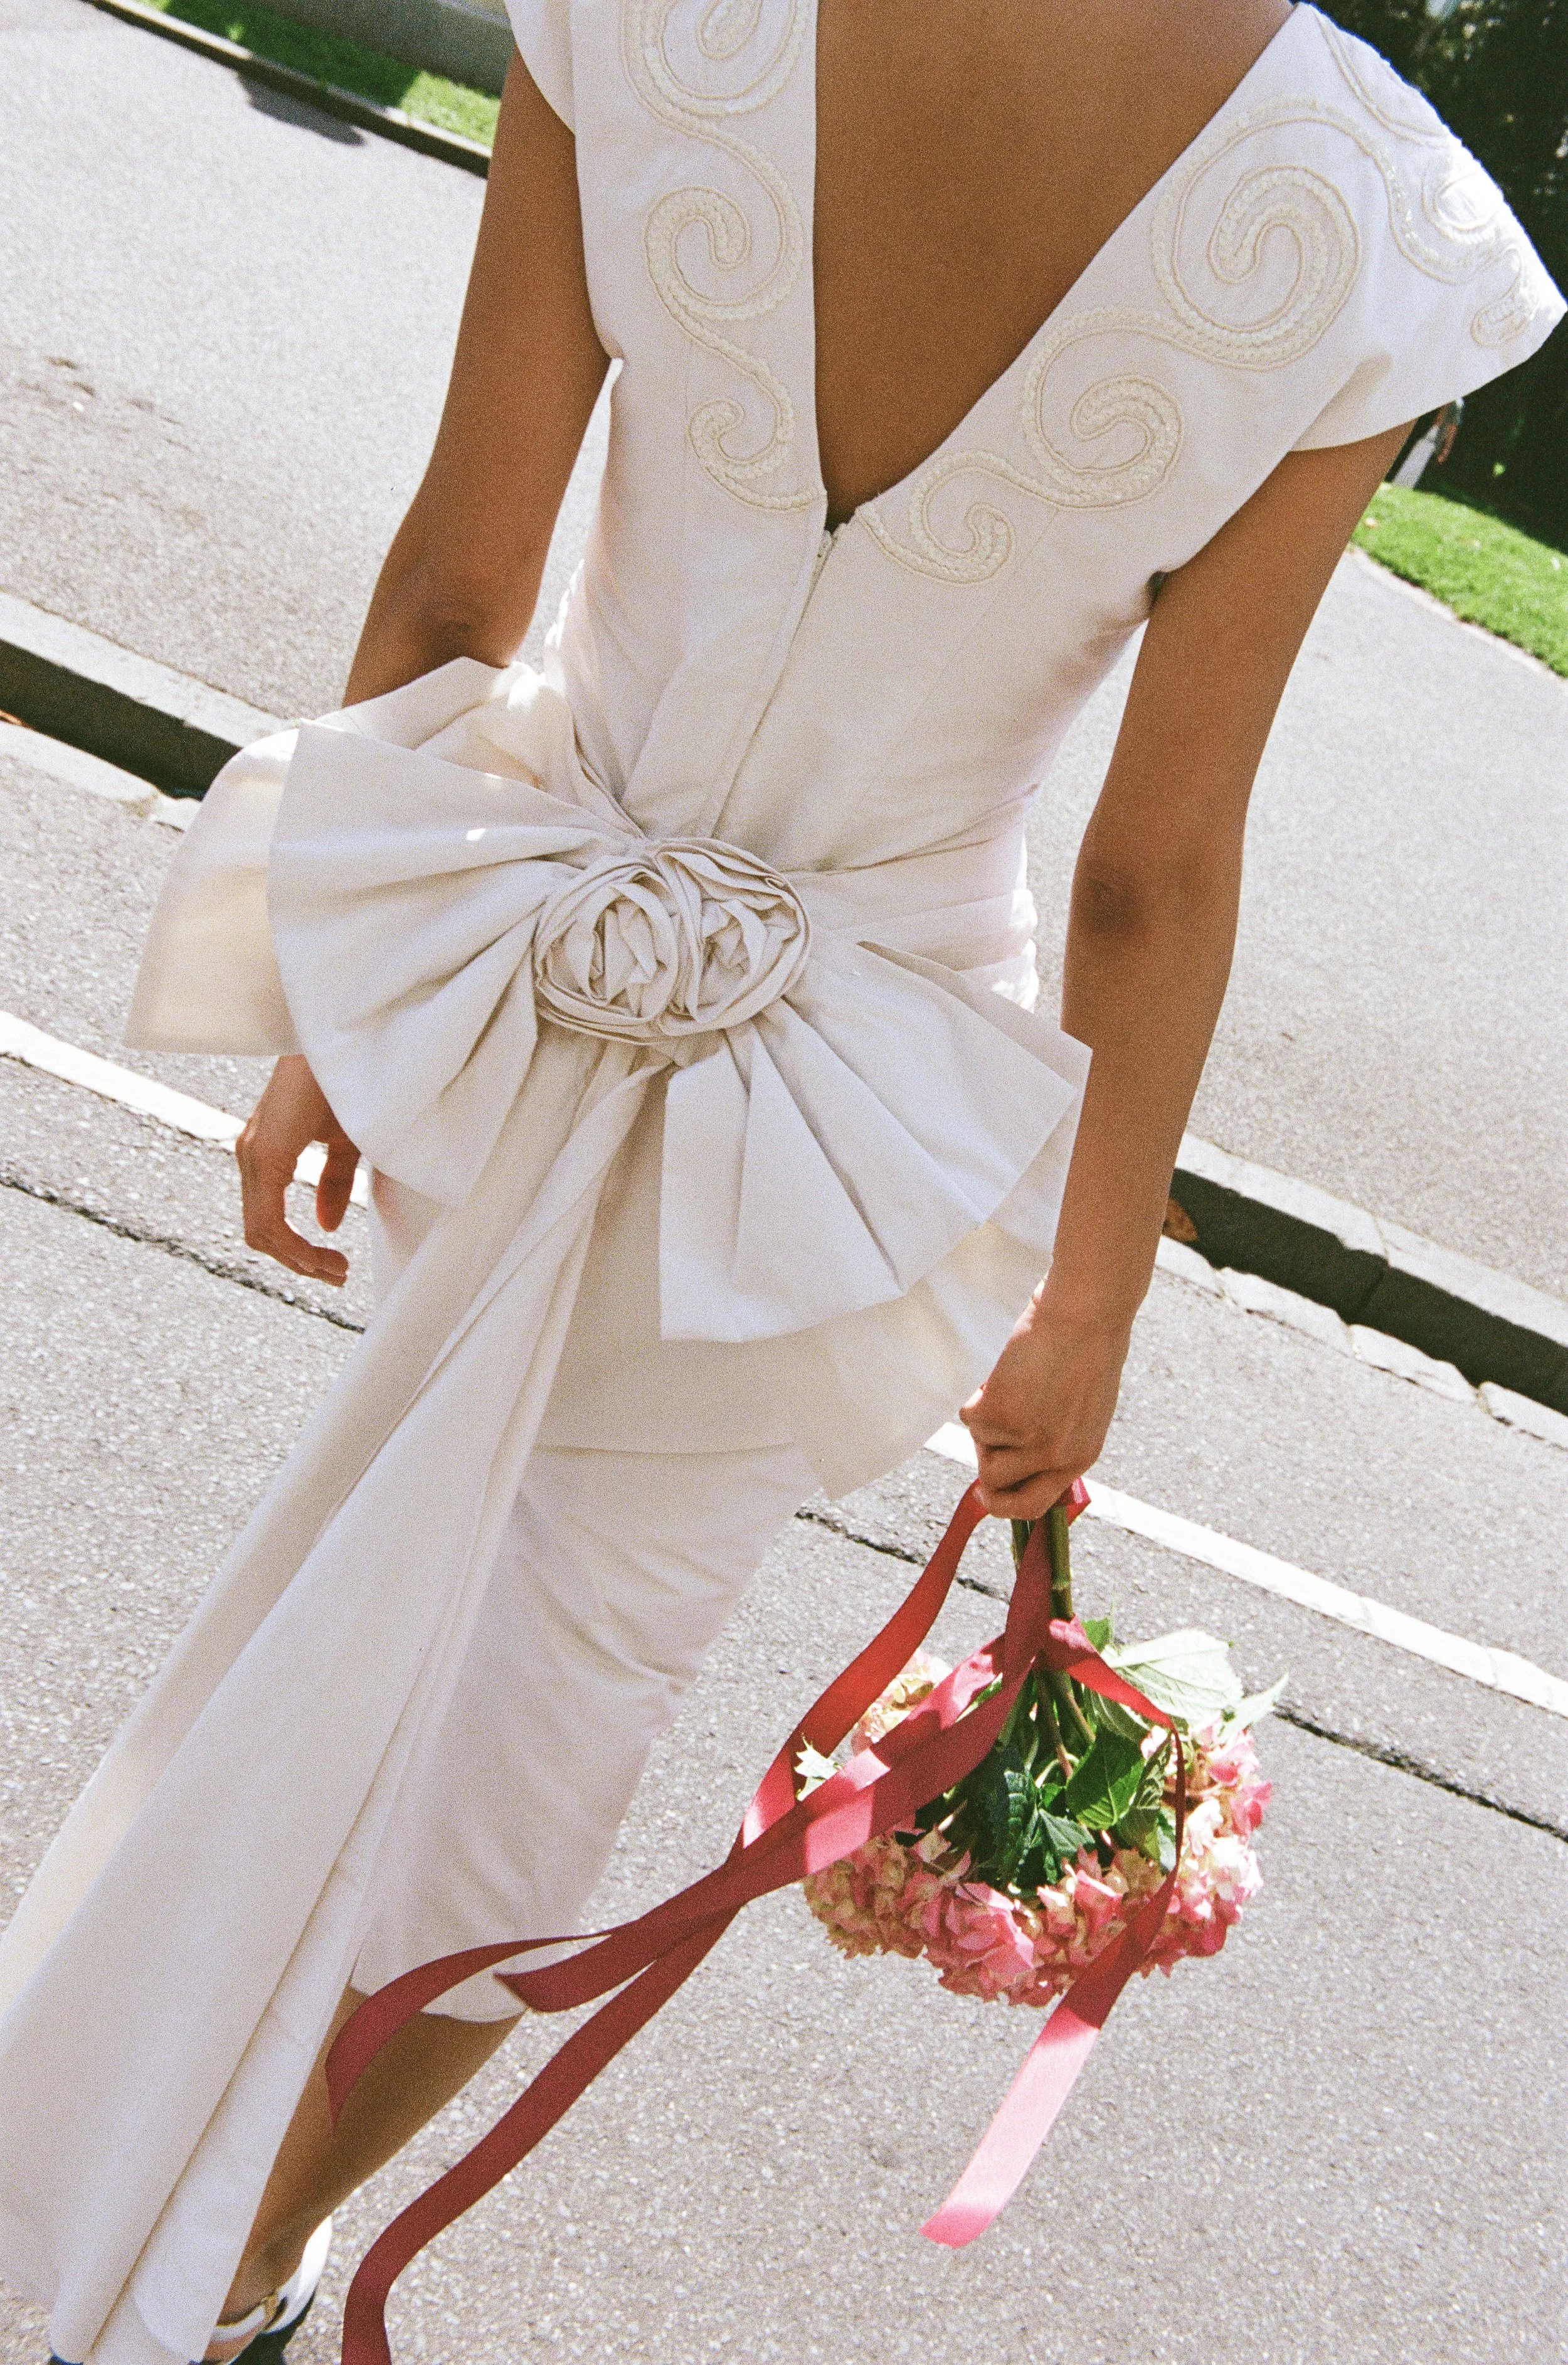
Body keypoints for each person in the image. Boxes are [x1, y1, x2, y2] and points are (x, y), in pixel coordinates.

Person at [1, 3, 1560, 2359]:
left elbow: (458, 575)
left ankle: (99, 2181)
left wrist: (338, 981)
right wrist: (1092, 1291)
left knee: (339, 1590)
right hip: (847, 1103)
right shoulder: (1375, 219)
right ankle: (224, 2266)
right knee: (543, 1726)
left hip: (504, 957)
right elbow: (1156, 868)